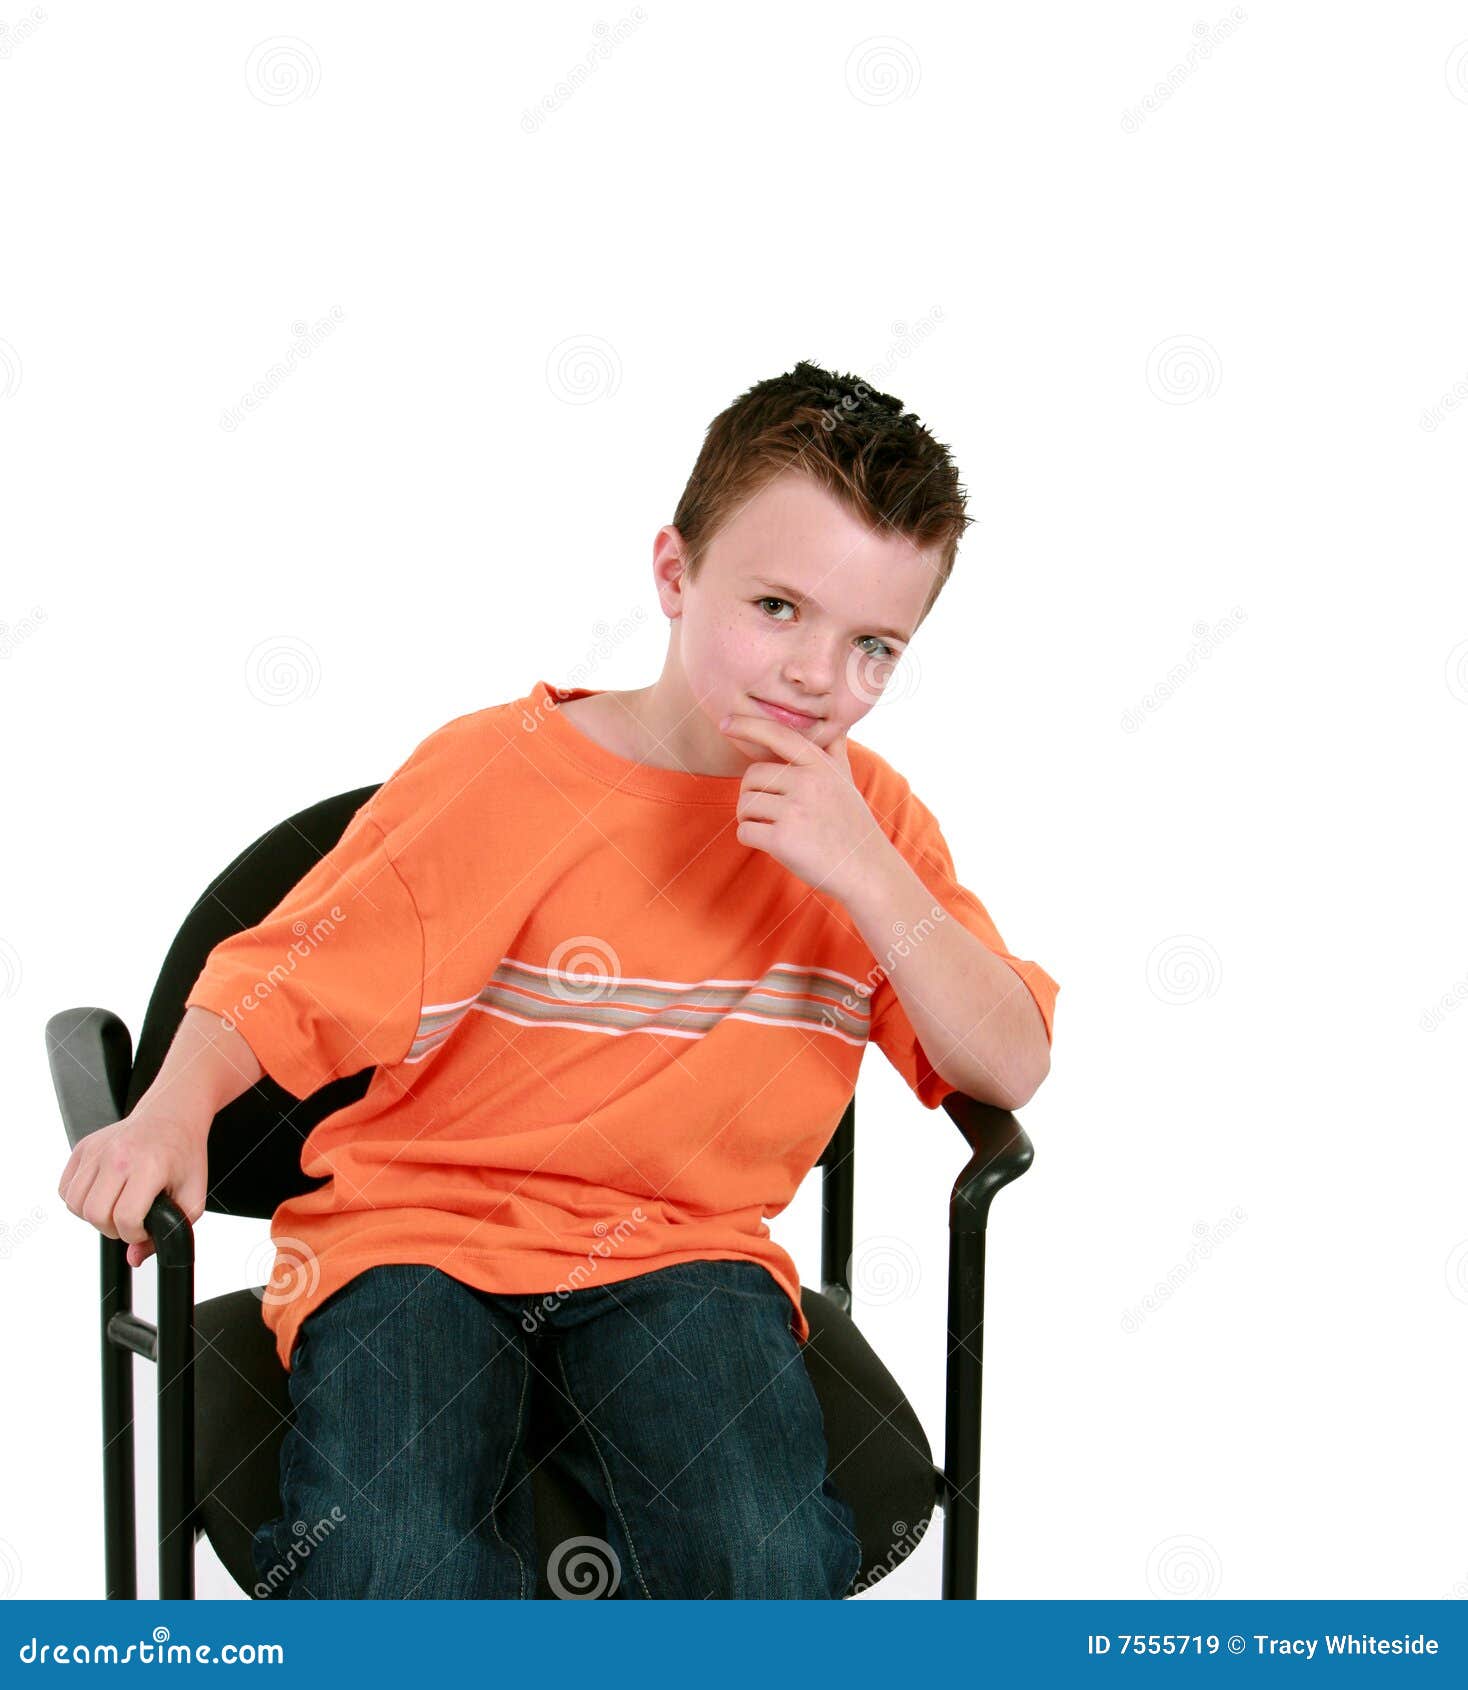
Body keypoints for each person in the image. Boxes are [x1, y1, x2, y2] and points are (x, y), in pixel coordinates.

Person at [57, 360, 1060, 1599]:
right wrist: (166, 1109)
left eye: (873, 647)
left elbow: (1006, 1062)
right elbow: (276, 981)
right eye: (777, 608)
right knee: (387, 1558)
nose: (814, 675)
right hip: (415, 1232)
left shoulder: (871, 828)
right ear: (674, 575)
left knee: (757, 1556)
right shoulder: (501, 775)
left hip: (686, 1248)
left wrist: (868, 876)